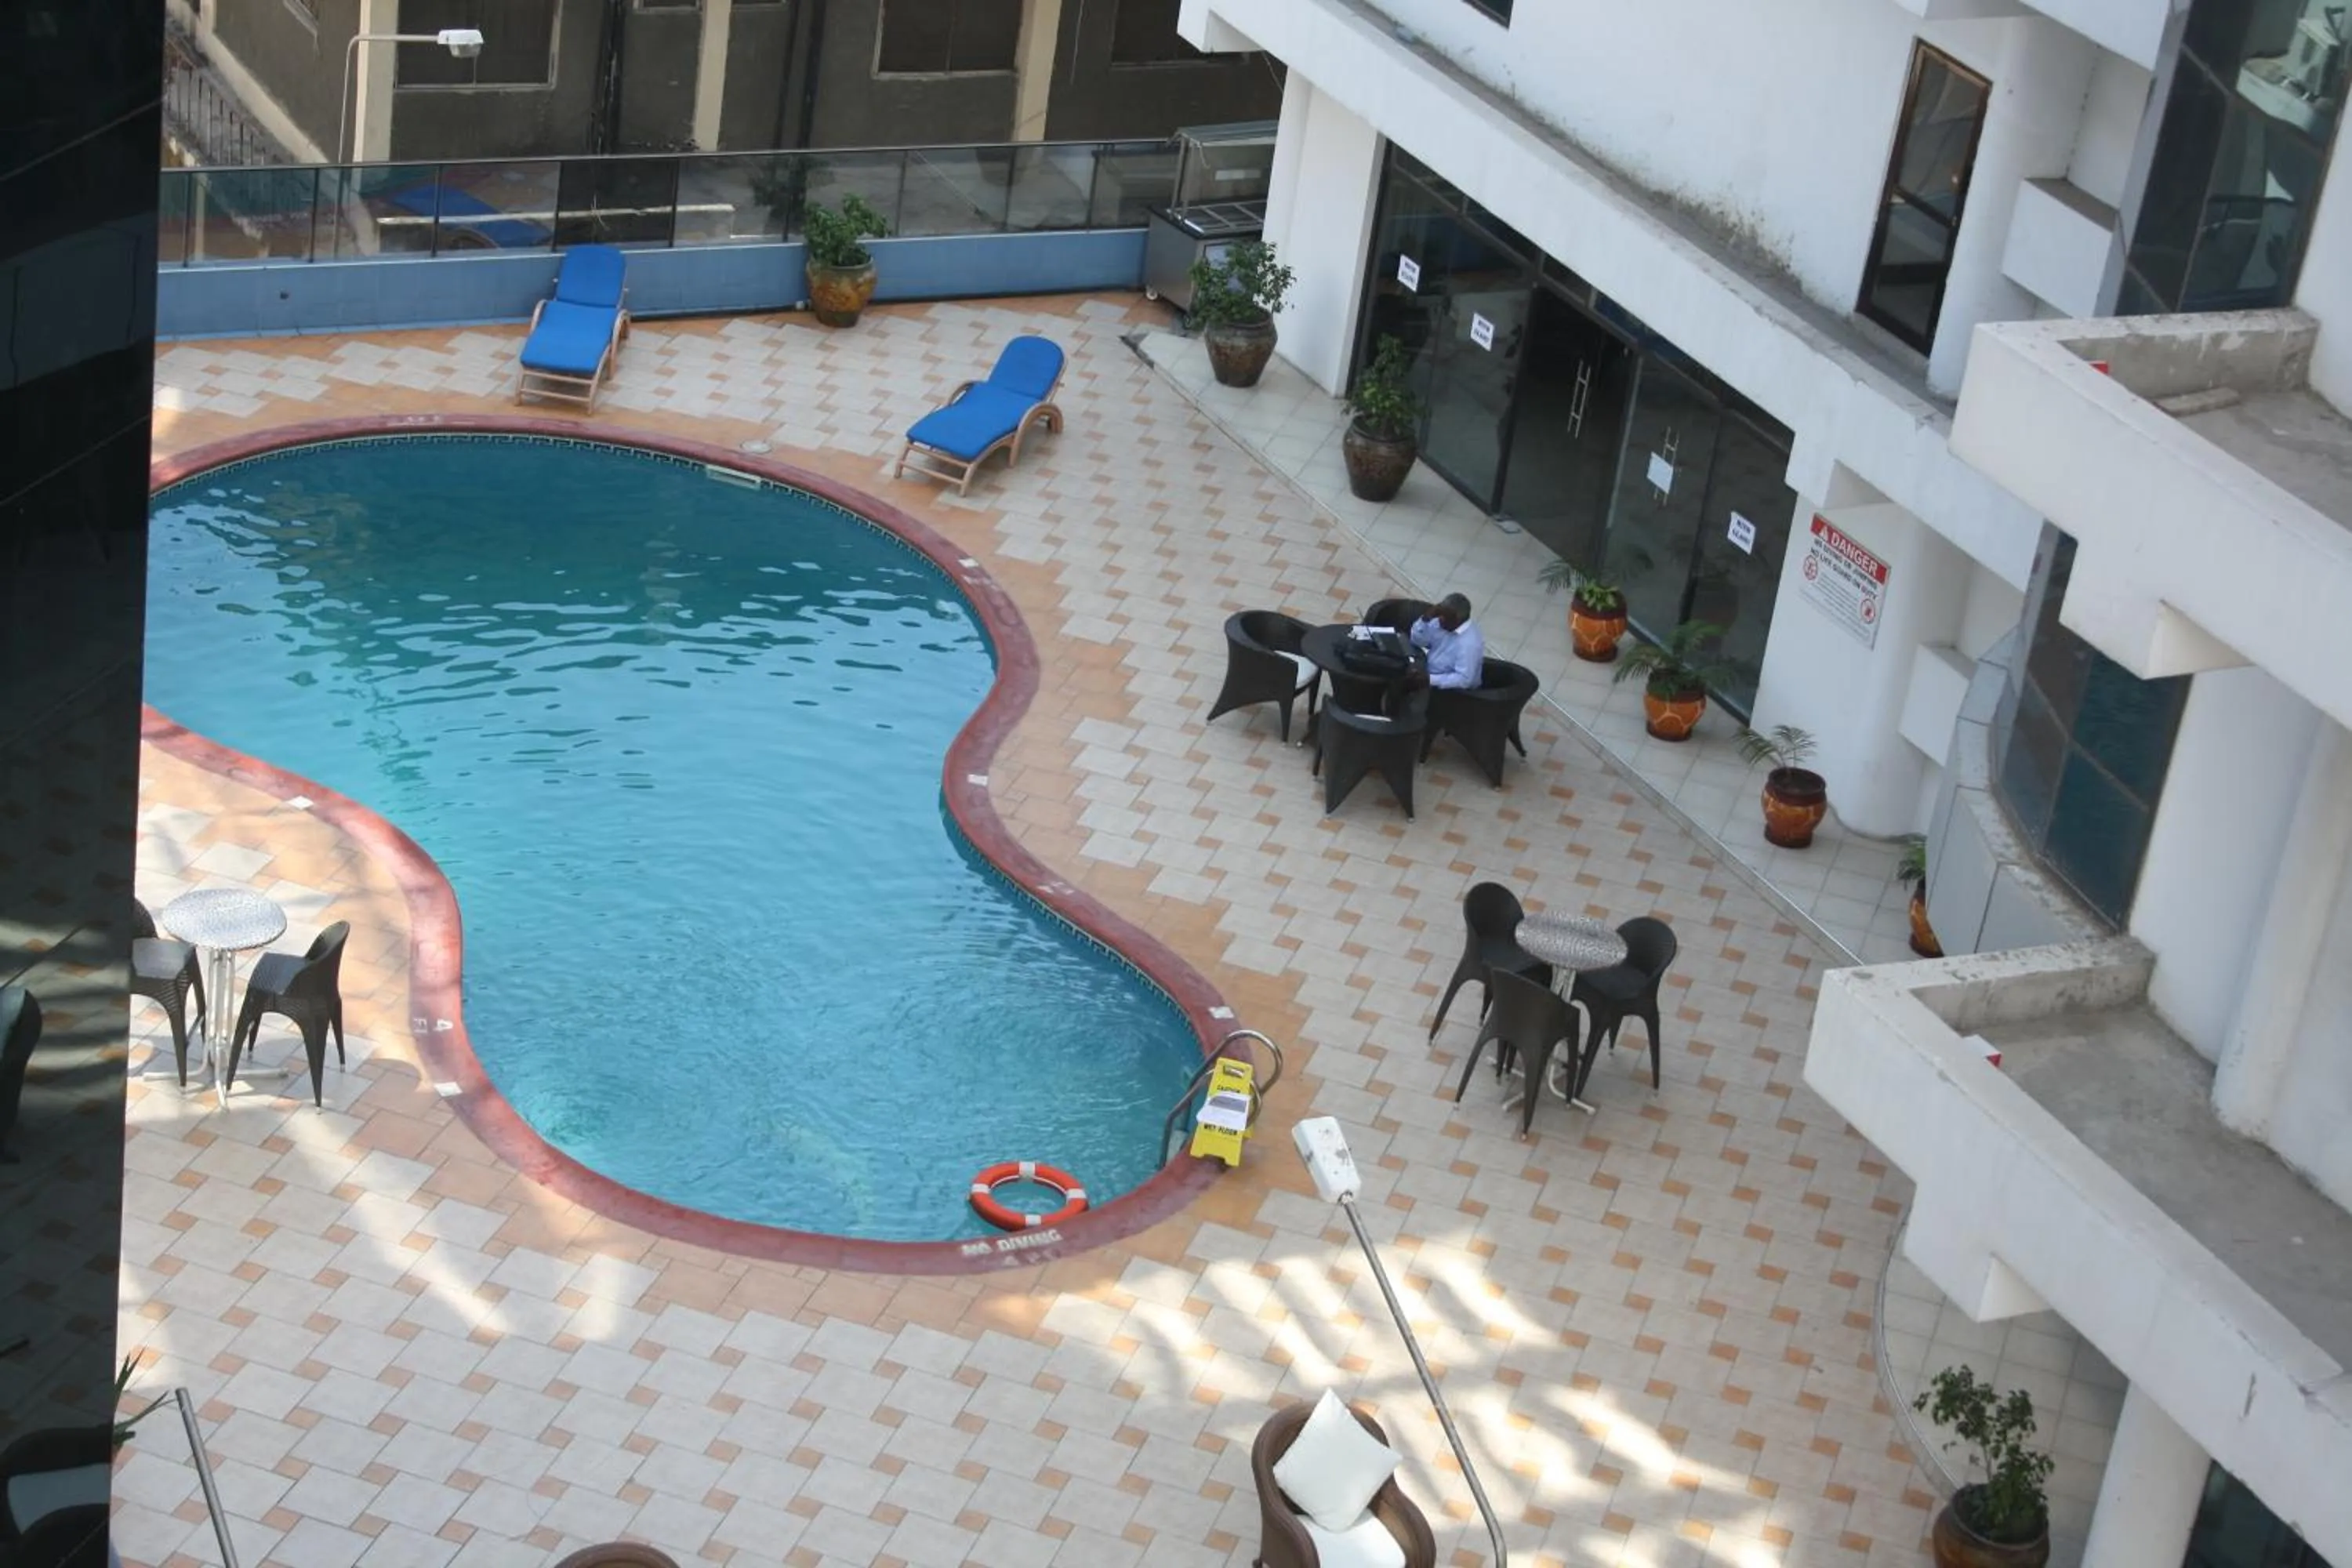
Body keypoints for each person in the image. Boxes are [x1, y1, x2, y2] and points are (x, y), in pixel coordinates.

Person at [1410, 593, 1485, 691]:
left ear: (1458, 620)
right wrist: (1425, 619)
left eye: (1445, 617)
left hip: (1453, 691)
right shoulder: (1442, 621)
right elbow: (1417, 641)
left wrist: (1430, 679)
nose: (1440, 619)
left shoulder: (1470, 644)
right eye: (1440, 614)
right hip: (1428, 670)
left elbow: (1465, 680)